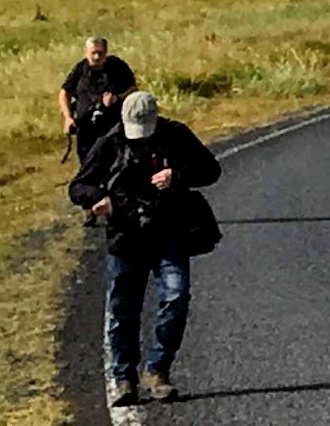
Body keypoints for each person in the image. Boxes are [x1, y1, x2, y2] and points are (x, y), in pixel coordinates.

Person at [70, 90, 219, 409]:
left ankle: (157, 370)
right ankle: (124, 378)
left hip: (170, 232)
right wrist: (99, 199)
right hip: (125, 237)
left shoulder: (177, 135)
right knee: (123, 310)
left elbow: (211, 171)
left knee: (176, 297)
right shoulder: (109, 143)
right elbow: (78, 186)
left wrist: (177, 176)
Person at [59, 36, 138, 158]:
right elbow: (64, 93)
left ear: (106, 52)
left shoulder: (117, 67)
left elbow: (133, 90)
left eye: (100, 53)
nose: (96, 57)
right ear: (86, 52)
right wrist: (68, 118)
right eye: (93, 53)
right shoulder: (80, 69)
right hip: (86, 129)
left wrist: (117, 98)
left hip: (113, 128)